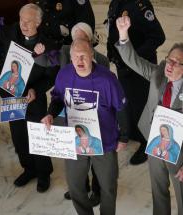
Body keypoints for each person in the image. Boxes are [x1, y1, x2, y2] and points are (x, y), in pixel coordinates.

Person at [115, 16, 183, 215]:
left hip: (178, 152)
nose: (169, 65)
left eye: (176, 62)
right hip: (154, 143)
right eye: (168, 59)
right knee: (158, 190)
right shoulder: (158, 74)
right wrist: (123, 34)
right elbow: (134, 61)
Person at [41, 39, 128, 215]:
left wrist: (124, 136)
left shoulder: (107, 80)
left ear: (92, 56)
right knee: (74, 186)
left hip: (105, 141)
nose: (80, 61)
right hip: (74, 140)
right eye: (75, 57)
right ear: (70, 58)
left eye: (83, 56)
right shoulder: (64, 75)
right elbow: (57, 99)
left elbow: (121, 109)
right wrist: (50, 113)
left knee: (108, 187)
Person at [0, 3, 60, 192]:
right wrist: (4, 89)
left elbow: (51, 75)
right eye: (21, 20)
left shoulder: (49, 44)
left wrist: (37, 90)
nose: (23, 25)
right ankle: (29, 169)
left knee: (37, 136)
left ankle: (43, 173)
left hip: (35, 98)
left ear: (39, 22)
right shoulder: (8, 35)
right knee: (18, 137)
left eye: (28, 22)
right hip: (12, 97)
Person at [107, 0, 165, 165]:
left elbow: (158, 36)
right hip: (123, 65)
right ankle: (134, 132)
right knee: (129, 101)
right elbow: (113, 29)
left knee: (142, 105)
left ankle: (147, 142)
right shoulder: (115, 3)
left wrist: (134, 59)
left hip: (139, 68)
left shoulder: (140, 5)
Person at [59, 22, 109, 204]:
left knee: (95, 153)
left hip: (94, 116)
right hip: (72, 114)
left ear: (90, 41)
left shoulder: (102, 60)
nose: (79, 41)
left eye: (83, 38)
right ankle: (79, 188)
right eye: (76, 38)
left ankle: (97, 190)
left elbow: (106, 88)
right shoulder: (65, 53)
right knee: (75, 156)